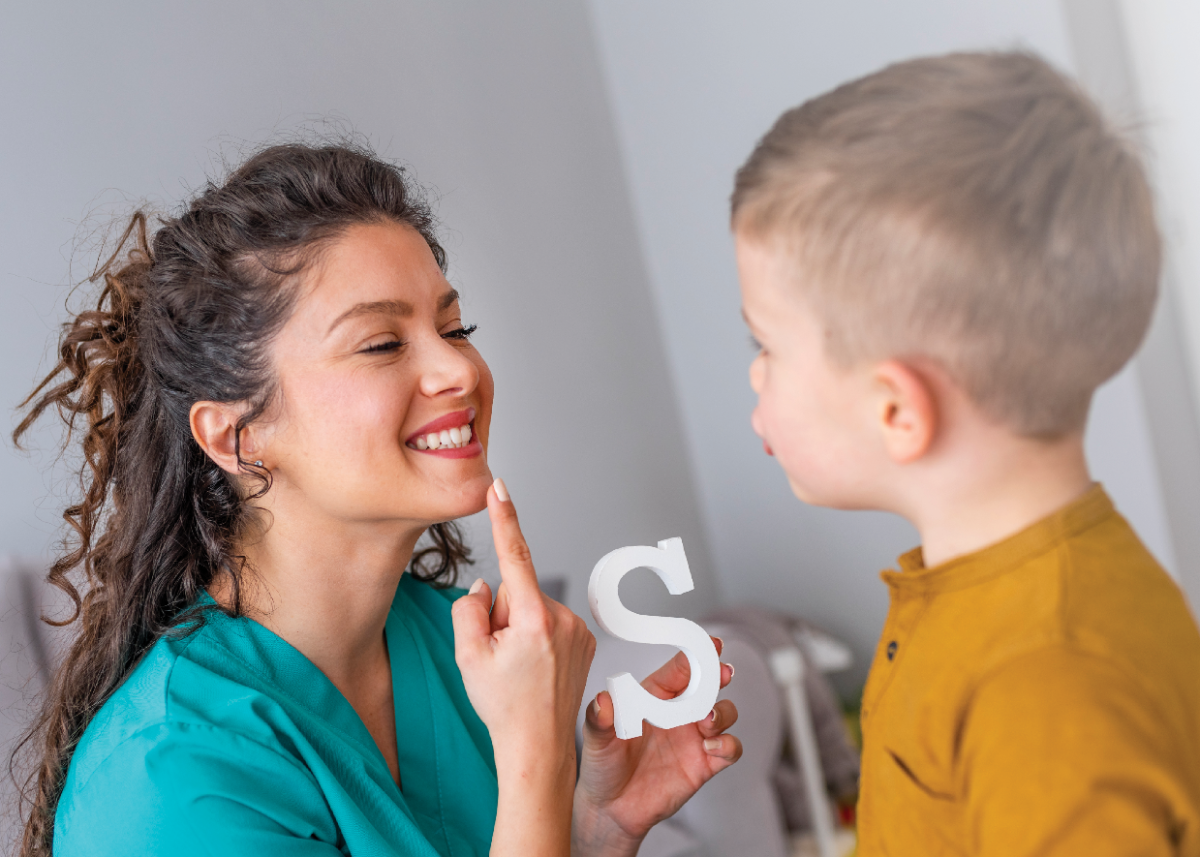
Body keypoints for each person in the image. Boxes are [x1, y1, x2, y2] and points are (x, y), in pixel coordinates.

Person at [12, 143, 742, 856]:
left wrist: (597, 832)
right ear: (237, 435)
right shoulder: (170, 777)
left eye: (455, 328)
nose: (458, 366)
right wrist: (535, 757)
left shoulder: (452, 645)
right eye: (381, 344)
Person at [731, 51, 1200, 855]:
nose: (753, 371)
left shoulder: (1047, 685)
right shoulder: (983, 597)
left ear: (896, 409)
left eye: (764, 342)